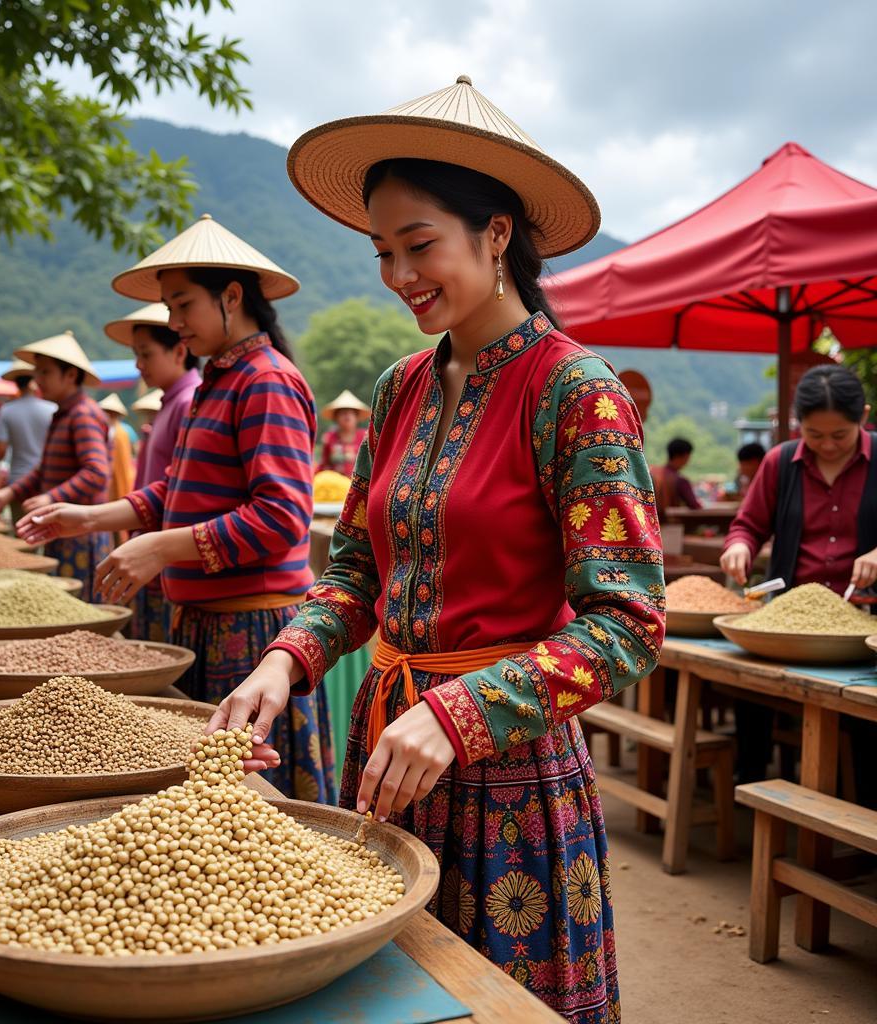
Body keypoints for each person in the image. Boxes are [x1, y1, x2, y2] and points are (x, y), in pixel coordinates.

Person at [205, 78, 665, 1022]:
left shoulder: (578, 393)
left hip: (511, 783)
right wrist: (285, 661)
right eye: (382, 252)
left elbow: (628, 623)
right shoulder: (398, 387)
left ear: (496, 234)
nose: (399, 275)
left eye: (420, 245)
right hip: (385, 755)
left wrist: (464, 712)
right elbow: (357, 574)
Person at [16, 214, 335, 804]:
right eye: (169, 306)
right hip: (209, 621)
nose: (173, 322)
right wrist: (87, 517)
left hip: (251, 630)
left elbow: (281, 516)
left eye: (182, 303)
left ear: (231, 297)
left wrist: (162, 546)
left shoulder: (266, 381)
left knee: (254, 813)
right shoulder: (217, 382)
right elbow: (175, 489)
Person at [720, 365, 876, 786]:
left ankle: (860, 810)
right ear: (797, 425)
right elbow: (748, 525)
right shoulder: (781, 462)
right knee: (752, 695)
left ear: (863, 416)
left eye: (839, 435)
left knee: (865, 722)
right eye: (814, 434)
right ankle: (751, 787)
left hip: (863, 628)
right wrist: (740, 547)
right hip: (787, 623)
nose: (827, 445)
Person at [0, 331, 112, 602]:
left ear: (71, 376)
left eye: (46, 373)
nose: (38, 380)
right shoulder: (61, 413)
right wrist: (9, 493)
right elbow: (44, 469)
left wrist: (52, 496)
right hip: (63, 528)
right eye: (37, 373)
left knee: (80, 606)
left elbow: (96, 473)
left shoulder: (83, 415)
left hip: (81, 534)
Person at [105, 303, 201, 642]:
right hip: (152, 551)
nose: (138, 364)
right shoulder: (171, 403)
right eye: (136, 354)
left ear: (179, 351)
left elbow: (182, 492)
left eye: (146, 354)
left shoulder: (189, 400)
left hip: (166, 558)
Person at [0, 361, 56, 523]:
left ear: (15, 383)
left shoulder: (7, 410)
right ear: (34, 382)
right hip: (47, 481)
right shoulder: (52, 408)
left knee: (21, 533)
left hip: (18, 481)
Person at [317, 390, 369, 477]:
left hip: (360, 486)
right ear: (336, 417)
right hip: (335, 485)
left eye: (350, 413)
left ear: (356, 417)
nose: (347, 416)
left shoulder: (365, 437)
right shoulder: (329, 438)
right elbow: (324, 465)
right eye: (343, 413)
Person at [650, 437, 701, 521]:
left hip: (652, 524)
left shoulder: (652, 473)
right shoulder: (680, 481)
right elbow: (694, 505)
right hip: (671, 526)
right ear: (685, 456)